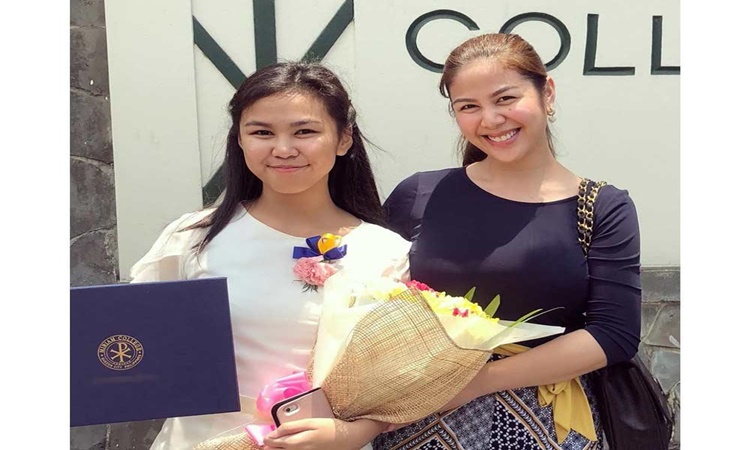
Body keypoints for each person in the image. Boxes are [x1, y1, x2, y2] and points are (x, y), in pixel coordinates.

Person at [374, 33, 641, 450]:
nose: (491, 119)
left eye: (505, 99)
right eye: (468, 107)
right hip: (420, 421)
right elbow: (373, 304)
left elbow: (614, 333)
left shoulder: (602, 206)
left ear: (547, 93)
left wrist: (474, 383)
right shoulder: (420, 194)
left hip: (544, 423)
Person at [131, 62, 409, 450]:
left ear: (344, 138)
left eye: (304, 132)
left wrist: (350, 433)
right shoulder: (194, 237)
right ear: (240, 139)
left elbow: (397, 383)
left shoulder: (384, 251)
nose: (283, 149)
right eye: (262, 132)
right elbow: (135, 341)